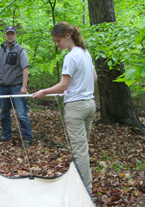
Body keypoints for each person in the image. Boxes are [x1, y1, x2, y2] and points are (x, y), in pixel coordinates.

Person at [32, 21, 98, 191]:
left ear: (68, 36)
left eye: (58, 40)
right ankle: (78, 182)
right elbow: (94, 78)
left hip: (76, 109)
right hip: (90, 105)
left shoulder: (71, 56)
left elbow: (63, 85)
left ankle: (85, 189)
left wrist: (44, 92)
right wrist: (73, 89)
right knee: (82, 148)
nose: (57, 44)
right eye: (55, 41)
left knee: (80, 151)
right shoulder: (85, 53)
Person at [0, 25, 33, 147]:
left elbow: (25, 68)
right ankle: (6, 135)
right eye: (8, 34)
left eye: (12, 33)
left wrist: (24, 86)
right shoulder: (0, 51)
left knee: (21, 113)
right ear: (5, 35)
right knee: (4, 113)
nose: (10, 36)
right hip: (3, 87)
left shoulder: (21, 50)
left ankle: (27, 138)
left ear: (15, 35)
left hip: (16, 85)